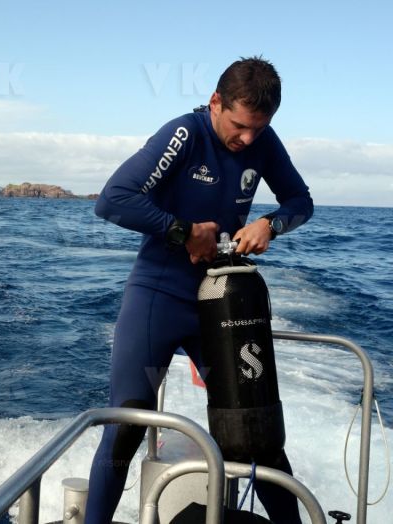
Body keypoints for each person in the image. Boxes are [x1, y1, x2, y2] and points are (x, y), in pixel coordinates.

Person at [86, 56, 313, 523]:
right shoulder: (185, 134)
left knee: (256, 431)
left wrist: (271, 223)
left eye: (259, 128)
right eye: (239, 126)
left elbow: (301, 202)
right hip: (158, 297)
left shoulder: (264, 143)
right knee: (125, 429)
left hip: (221, 307)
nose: (247, 138)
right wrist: (182, 230)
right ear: (215, 102)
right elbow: (114, 200)